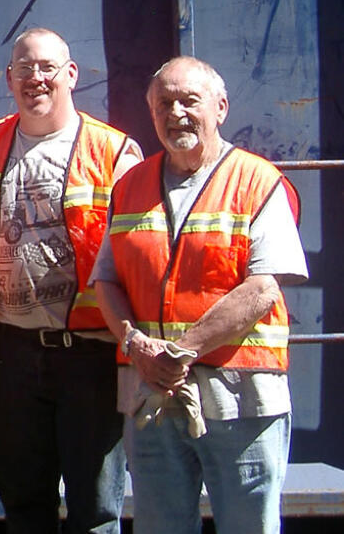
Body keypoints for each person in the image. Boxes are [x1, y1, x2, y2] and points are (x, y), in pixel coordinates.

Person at [90, 56, 307, 534]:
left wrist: (179, 351)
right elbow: (105, 280)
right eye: (163, 103)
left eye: (189, 100)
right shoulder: (129, 186)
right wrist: (135, 343)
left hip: (241, 400)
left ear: (221, 107)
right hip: (153, 396)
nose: (176, 113)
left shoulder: (256, 180)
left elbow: (264, 286)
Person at [0, 28, 142, 533]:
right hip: (11, 352)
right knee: (24, 507)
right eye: (24, 68)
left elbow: (137, 257)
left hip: (89, 354)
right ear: (9, 79)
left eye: (47, 67)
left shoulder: (115, 152)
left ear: (71, 74)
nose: (35, 79)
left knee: (95, 511)